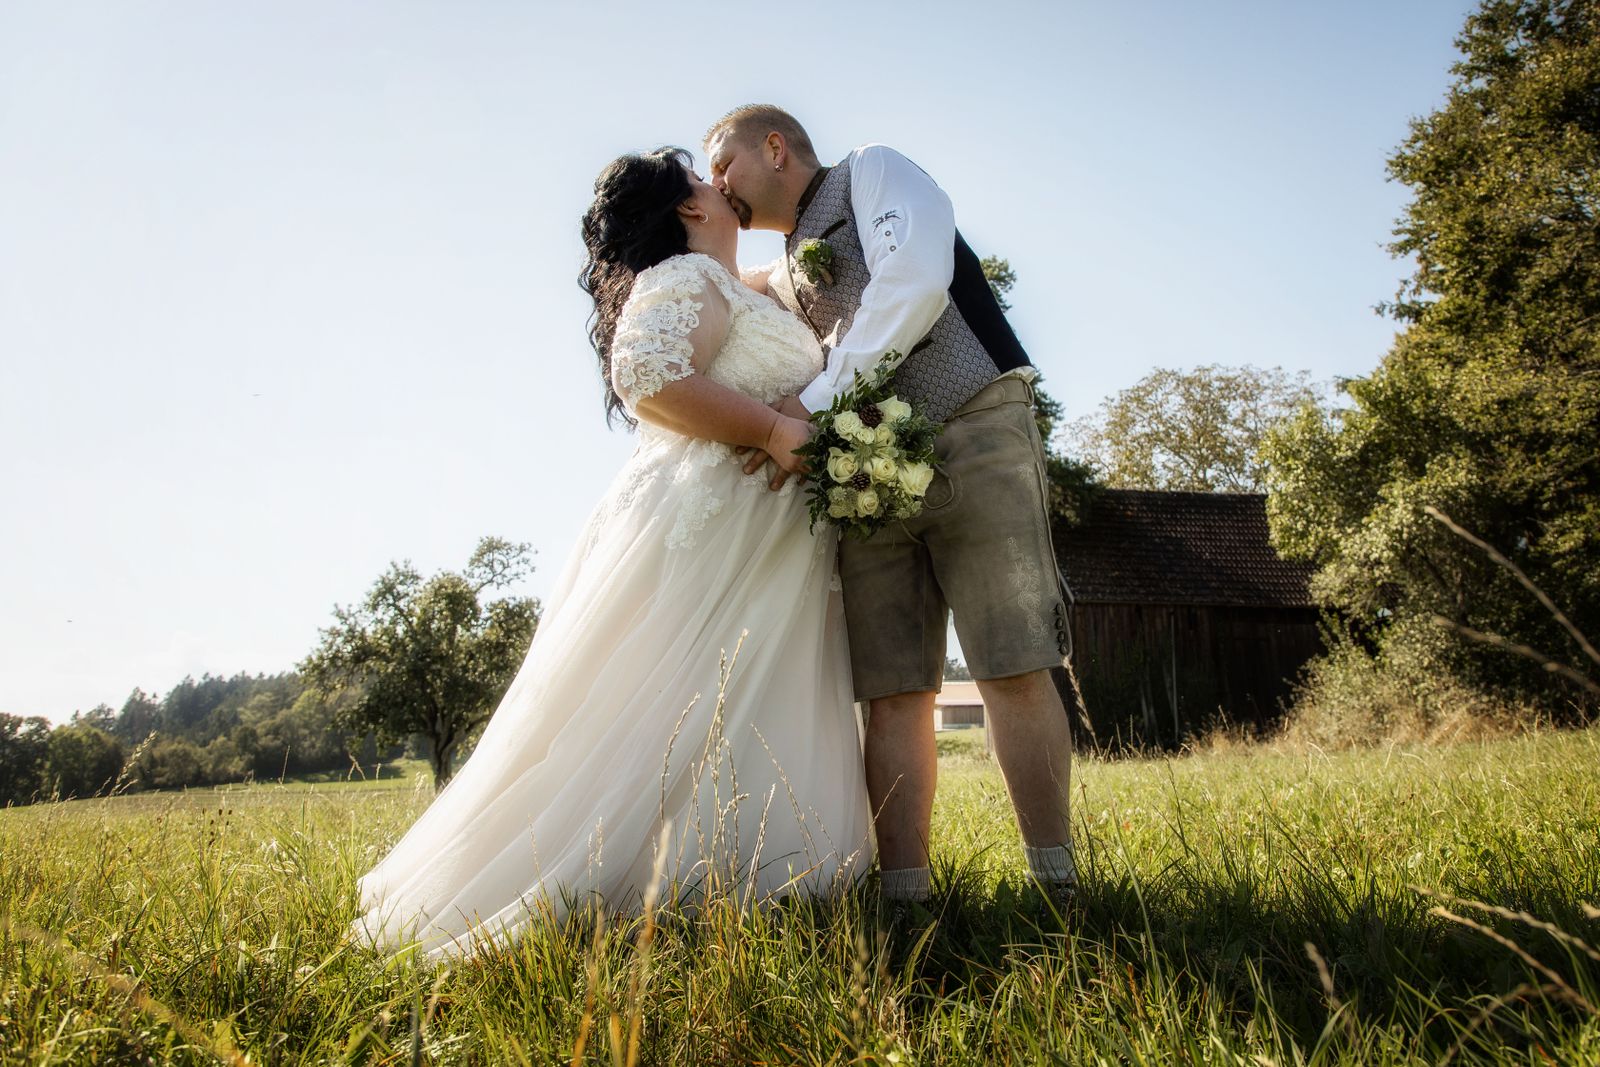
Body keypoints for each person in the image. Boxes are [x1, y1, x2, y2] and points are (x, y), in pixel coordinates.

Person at [352, 148, 872, 958]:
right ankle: (596, 877)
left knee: (736, 706)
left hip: (766, 547)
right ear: (691, 212)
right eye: (707, 179)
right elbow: (647, 373)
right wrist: (772, 430)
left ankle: (745, 873)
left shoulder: (740, 286)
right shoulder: (686, 280)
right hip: (706, 531)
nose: (722, 184)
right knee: (657, 706)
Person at [703, 105, 1079, 911]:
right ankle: (905, 900)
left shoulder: (872, 170)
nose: (716, 182)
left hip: (975, 427)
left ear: (774, 147)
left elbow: (913, 276)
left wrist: (815, 403)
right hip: (865, 481)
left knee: (1013, 659)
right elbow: (723, 285)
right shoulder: (784, 265)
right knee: (892, 686)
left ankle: (1060, 890)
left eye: (723, 163)